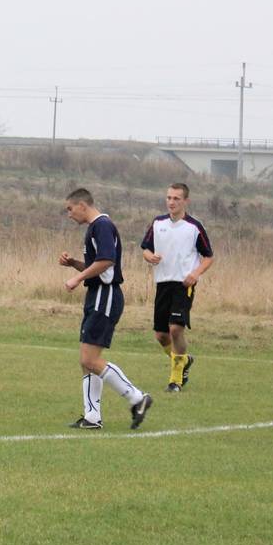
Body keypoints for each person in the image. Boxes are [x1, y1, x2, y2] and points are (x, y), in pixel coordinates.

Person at [58, 187, 151, 429]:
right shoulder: (94, 228)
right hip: (97, 295)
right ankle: (92, 417)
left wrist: (77, 279)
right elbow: (97, 266)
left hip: (105, 296)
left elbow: (107, 261)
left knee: (90, 359)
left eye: (70, 209)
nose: (69, 214)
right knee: (86, 360)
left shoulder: (102, 225)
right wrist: (74, 264)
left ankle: (137, 398)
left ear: (82, 205)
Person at [140, 182, 214, 392]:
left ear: (185, 201)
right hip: (162, 283)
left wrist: (195, 274)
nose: (171, 202)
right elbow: (145, 249)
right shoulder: (158, 223)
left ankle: (175, 381)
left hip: (183, 285)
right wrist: (149, 256)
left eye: (176, 198)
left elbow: (209, 257)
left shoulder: (194, 227)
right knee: (161, 335)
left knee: (175, 329)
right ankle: (183, 360)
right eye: (169, 198)